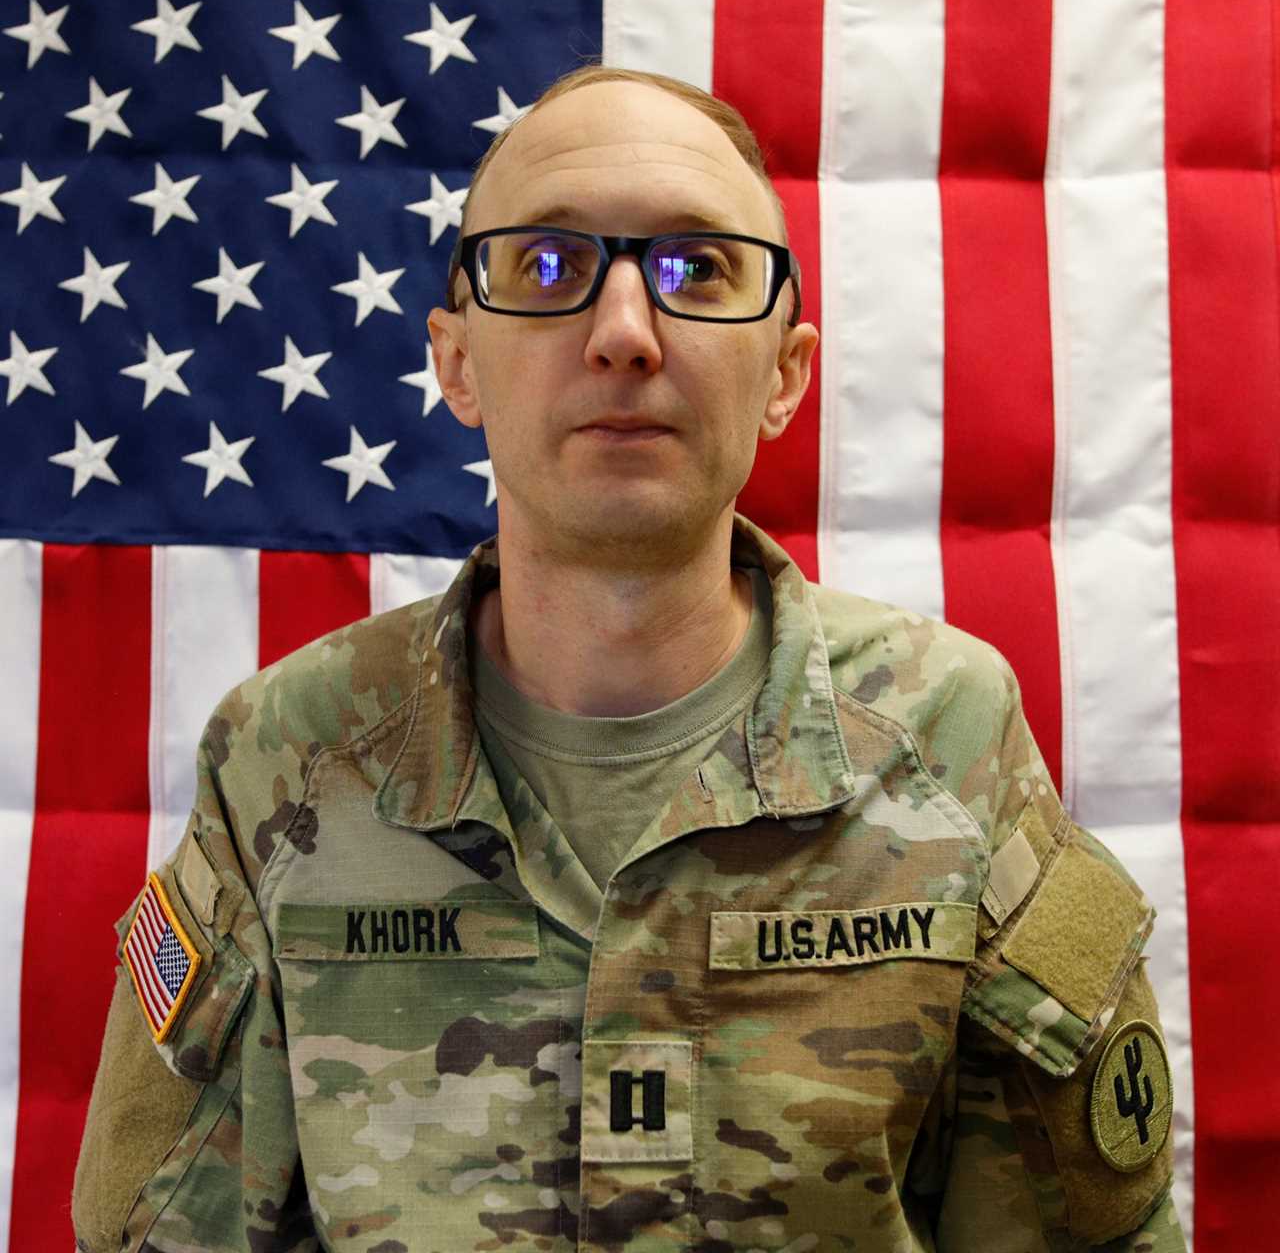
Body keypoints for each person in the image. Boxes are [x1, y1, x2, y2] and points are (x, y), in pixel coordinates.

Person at [72, 66, 1186, 1253]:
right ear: (454, 362)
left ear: (787, 373)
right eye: (545, 267)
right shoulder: (286, 758)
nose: (621, 333)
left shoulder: (946, 737)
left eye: (695, 271)